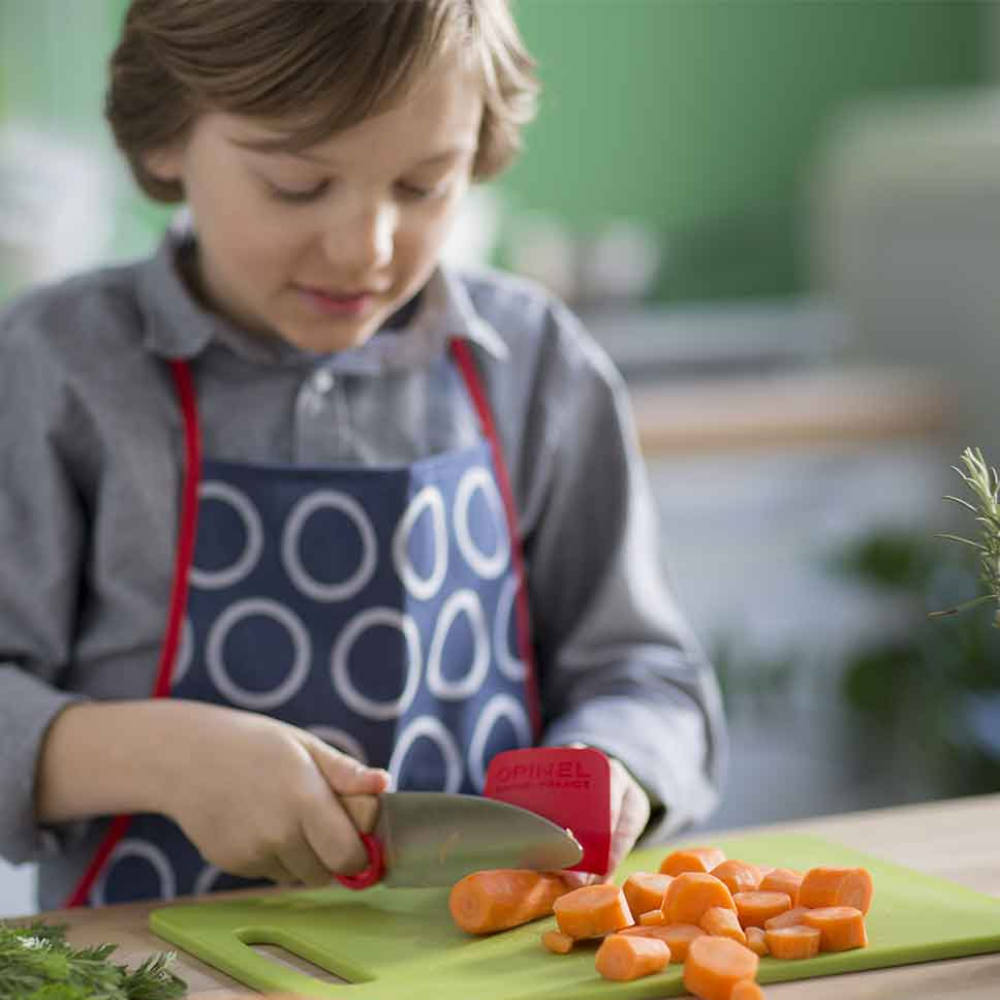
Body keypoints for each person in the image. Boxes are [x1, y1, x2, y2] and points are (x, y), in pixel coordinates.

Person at [0, 0, 726, 911]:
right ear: (167, 138)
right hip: (150, 965)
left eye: (424, 186)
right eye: (298, 188)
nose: (365, 249)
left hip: (481, 959)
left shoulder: (537, 365)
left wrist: (616, 769)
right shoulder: (55, 368)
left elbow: (649, 677)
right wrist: (160, 755)